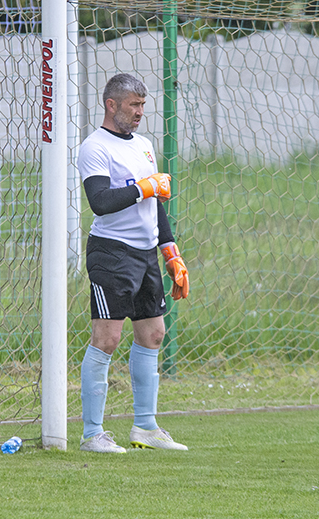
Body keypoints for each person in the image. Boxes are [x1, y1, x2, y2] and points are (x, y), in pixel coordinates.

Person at [77, 73, 190, 453]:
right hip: (111, 252)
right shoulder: (94, 147)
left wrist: (171, 252)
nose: (141, 112)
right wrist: (144, 187)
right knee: (107, 339)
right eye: (133, 105)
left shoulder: (143, 145)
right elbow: (101, 202)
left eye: (143, 105)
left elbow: (154, 203)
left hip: (144, 254)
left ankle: (145, 427)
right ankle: (92, 433)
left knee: (153, 334)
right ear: (112, 105)